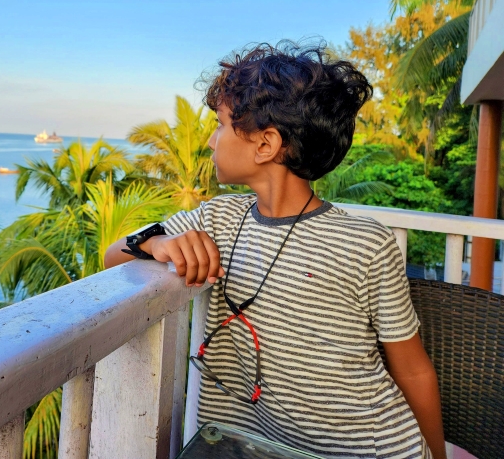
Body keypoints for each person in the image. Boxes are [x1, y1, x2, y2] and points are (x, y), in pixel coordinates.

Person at [104, 42, 446, 459]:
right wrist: (159, 243)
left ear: (266, 144)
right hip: (253, 447)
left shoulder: (365, 243)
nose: (211, 141)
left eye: (221, 125)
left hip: (372, 449)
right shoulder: (219, 217)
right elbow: (113, 256)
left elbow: (412, 367)